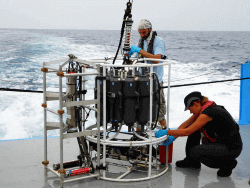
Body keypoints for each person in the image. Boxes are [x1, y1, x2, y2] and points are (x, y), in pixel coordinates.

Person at [155, 91, 243, 177]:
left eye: (190, 109)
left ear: (196, 103)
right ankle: (192, 161)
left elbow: (187, 131)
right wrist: (173, 137)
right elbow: (185, 125)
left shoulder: (209, 113)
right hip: (220, 142)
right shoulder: (203, 109)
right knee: (195, 129)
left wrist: (167, 132)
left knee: (195, 152)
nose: (190, 112)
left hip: (231, 148)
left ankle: (228, 164)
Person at [129, 19, 167, 128]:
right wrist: (128, 56)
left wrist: (139, 51)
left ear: (150, 29)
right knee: (139, 110)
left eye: (144, 32)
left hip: (155, 82)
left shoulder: (158, 41)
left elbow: (156, 59)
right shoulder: (140, 42)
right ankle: (139, 136)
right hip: (142, 81)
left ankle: (165, 134)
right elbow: (134, 61)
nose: (142, 35)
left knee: (159, 112)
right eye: (140, 33)